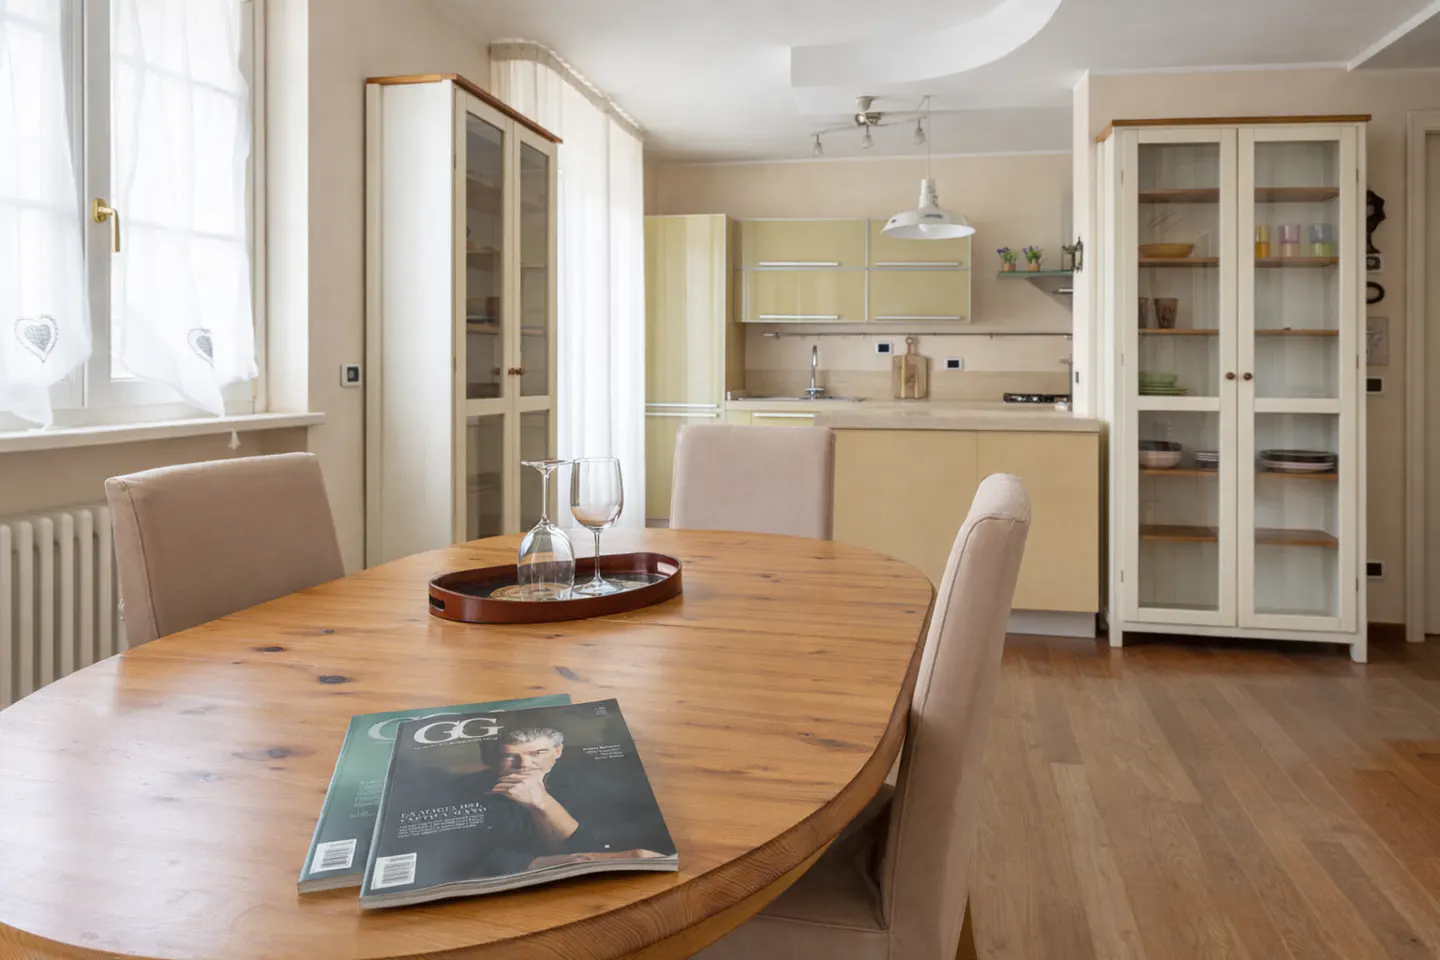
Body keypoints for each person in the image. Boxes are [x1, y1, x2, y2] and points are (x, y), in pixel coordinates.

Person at [476, 726, 667, 876]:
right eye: (510, 756)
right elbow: (479, 861)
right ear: (492, 759)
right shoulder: (472, 790)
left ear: (557, 751)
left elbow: (596, 846)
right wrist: (566, 861)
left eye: (537, 753)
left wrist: (543, 802)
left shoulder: (590, 783)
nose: (524, 765)